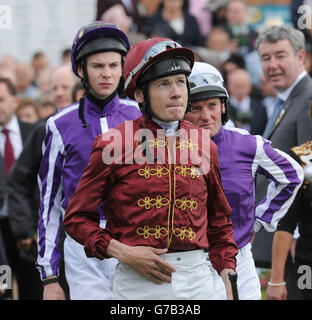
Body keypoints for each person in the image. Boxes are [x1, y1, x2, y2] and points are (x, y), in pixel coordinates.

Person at [63, 37, 238, 300]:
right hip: (137, 283)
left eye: (181, 82)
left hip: (198, 282)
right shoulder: (113, 143)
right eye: (164, 84)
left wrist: (229, 282)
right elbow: (76, 219)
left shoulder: (204, 143)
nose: (177, 92)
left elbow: (219, 221)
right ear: (139, 94)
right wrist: (121, 251)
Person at [36, 22, 141, 300]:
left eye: (114, 65)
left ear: (123, 69)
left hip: (134, 239)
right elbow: (50, 204)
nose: (107, 74)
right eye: (98, 66)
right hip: (82, 246)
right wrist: (49, 277)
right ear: (81, 70)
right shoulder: (59, 125)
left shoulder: (142, 117)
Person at [183, 61, 304, 300]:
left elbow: (292, 175)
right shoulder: (166, 147)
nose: (206, 116)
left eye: (212, 105)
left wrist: (260, 220)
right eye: (195, 108)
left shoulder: (247, 144)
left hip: (239, 261)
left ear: (223, 106)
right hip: (188, 264)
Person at [251, 25, 312, 299]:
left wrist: (296, 233)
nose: (272, 65)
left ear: (301, 57)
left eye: (280, 56)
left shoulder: (308, 97)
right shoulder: (287, 99)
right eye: (265, 58)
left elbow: (309, 172)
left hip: (297, 240)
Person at [0, 77, 34, 299]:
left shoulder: (33, 132)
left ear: (14, 100)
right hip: (0, 238)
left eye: (1, 100)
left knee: (32, 286)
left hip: (30, 232)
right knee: (4, 289)